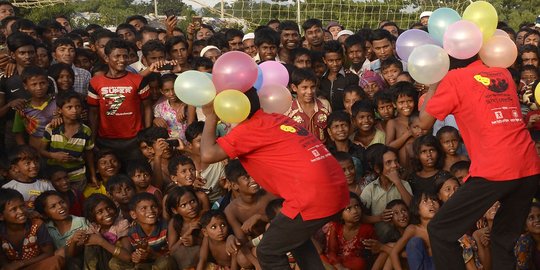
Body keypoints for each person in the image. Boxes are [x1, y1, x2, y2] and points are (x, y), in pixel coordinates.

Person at [200, 88, 349, 269]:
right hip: (335, 188)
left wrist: (210, 117)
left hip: (311, 196)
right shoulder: (276, 118)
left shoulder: (248, 129)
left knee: (268, 251)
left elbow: (207, 154)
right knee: (294, 240)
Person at [419, 57, 540, 270]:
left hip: (496, 168)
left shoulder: (454, 78)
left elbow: (424, 122)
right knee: (503, 238)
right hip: (529, 165)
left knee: (440, 230)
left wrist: (433, 83)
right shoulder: (502, 73)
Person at [87, 38, 152, 162]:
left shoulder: (139, 80)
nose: (122, 60)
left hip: (134, 139)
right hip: (106, 140)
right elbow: (93, 113)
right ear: (106, 58)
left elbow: (147, 107)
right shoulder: (95, 82)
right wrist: (93, 140)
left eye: (125, 56)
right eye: (117, 56)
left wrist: (146, 135)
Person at [40, 91, 97, 191]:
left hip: (77, 176)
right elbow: (41, 150)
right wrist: (53, 155)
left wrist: (93, 175)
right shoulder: (52, 128)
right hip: (55, 177)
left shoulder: (85, 131)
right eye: (69, 107)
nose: (74, 110)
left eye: (78, 106)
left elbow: (89, 154)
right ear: (60, 110)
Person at [0, 188, 65, 270]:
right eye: (14, 209)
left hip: (36, 266)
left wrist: (22, 263)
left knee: (56, 260)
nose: (21, 211)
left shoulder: (36, 224)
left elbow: (49, 253)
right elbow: (3, 261)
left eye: (22, 206)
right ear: (1, 216)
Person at [109, 193, 175, 270]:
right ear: (133, 214)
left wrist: (152, 255)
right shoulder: (133, 232)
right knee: (114, 263)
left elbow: (173, 255)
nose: (150, 211)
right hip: (147, 263)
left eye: (153, 207)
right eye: (144, 208)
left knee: (164, 262)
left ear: (159, 210)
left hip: (163, 262)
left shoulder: (166, 228)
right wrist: (136, 257)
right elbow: (137, 254)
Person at [321, 192, 376, 270]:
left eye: (357, 206)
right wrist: (340, 267)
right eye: (348, 209)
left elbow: (372, 255)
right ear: (340, 214)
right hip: (336, 263)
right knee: (321, 258)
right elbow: (331, 251)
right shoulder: (335, 226)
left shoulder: (367, 229)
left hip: (354, 264)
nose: (355, 211)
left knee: (359, 263)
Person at [390, 193, 439, 270]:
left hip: (441, 264)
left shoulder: (444, 227)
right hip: (422, 266)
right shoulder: (413, 229)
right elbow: (394, 253)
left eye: (434, 200)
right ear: (417, 209)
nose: (431, 203)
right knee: (415, 242)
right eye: (425, 201)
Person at [83, 193, 131, 270]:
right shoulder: (95, 227)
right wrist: (76, 239)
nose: (107, 213)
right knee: (90, 244)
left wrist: (101, 241)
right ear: (92, 216)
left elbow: (128, 257)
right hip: (103, 265)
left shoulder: (121, 224)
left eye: (108, 208)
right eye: (100, 212)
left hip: (120, 265)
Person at [2, 145, 54, 209]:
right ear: (15, 168)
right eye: (28, 163)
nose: (34, 165)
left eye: (36, 161)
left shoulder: (46, 185)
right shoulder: (8, 188)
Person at [286, 68, 331, 142]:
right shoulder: (288, 110)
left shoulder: (325, 105)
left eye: (312, 87)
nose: (309, 92)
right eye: (304, 88)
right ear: (294, 88)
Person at [165, 186, 203, 269]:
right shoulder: (174, 222)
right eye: (183, 205)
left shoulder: (205, 218)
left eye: (192, 201)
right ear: (175, 210)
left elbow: (215, 245)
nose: (190, 207)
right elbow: (172, 250)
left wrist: (196, 241)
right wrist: (187, 233)